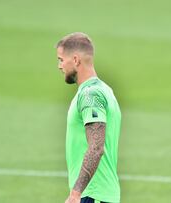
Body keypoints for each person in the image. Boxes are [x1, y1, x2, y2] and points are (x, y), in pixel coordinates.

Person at [56, 32, 121, 203]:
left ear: (75, 60)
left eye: (61, 59)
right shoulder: (105, 90)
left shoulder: (90, 95)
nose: (59, 66)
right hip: (100, 194)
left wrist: (76, 193)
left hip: (92, 195)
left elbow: (96, 147)